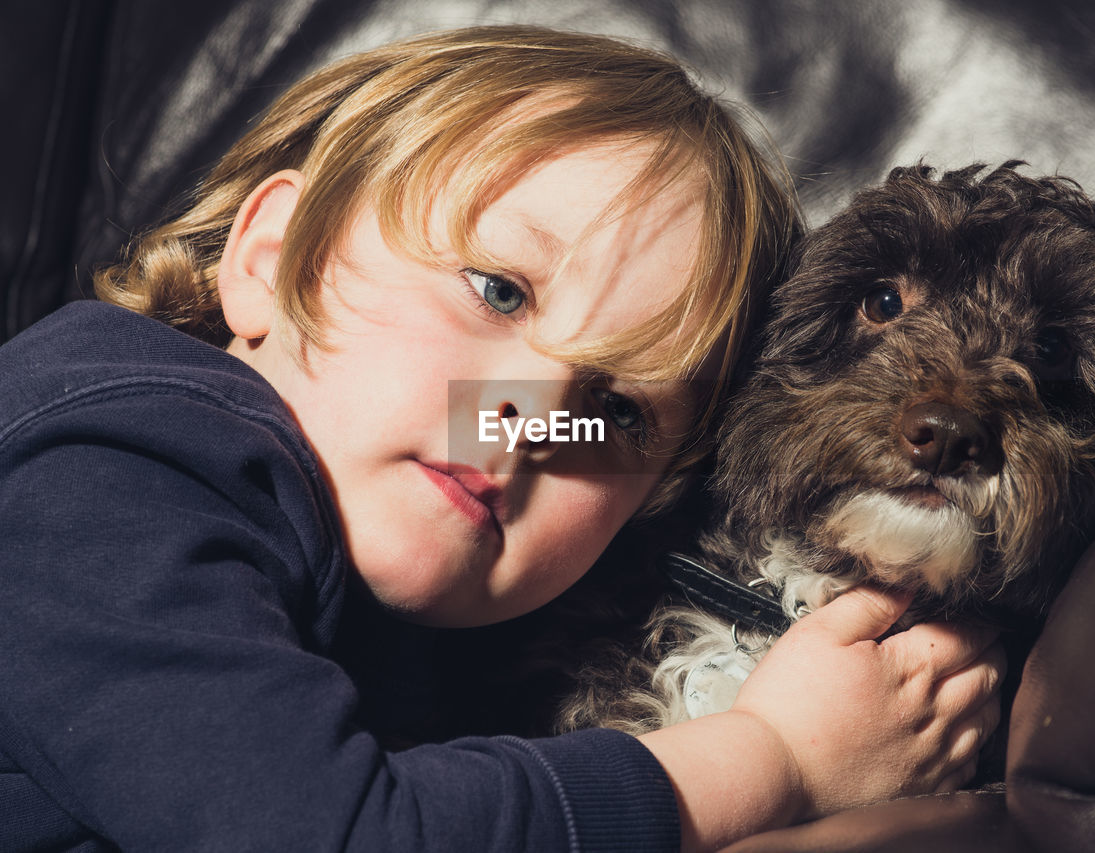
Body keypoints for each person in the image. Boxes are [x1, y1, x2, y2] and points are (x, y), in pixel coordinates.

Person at [0, 26, 1003, 852]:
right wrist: (773, 753)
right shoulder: (107, 454)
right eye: (497, 292)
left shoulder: (414, 633)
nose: (525, 416)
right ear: (269, 260)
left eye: (611, 412)